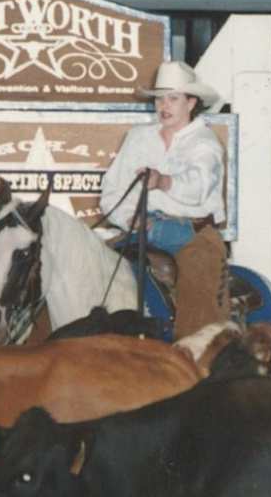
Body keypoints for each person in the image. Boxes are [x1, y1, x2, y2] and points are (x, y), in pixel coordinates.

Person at [98, 60, 230, 340]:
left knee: (198, 291)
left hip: (192, 233)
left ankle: (197, 355)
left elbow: (199, 186)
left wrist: (164, 181)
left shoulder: (204, 143)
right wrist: (131, 221)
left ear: (191, 102)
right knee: (95, 265)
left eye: (173, 98)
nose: (164, 106)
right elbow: (112, 191)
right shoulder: (138, 138)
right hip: (142, 228)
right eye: (159, 99)